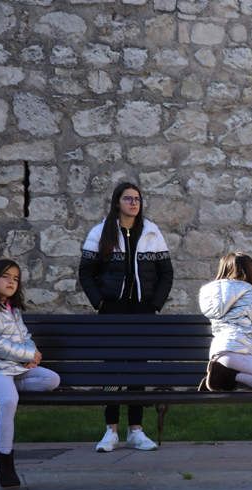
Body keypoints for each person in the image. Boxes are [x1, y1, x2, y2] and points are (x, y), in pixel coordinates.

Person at [78, 182, 174, 453]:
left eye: (137, 199)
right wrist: (99, 301)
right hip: (112, 310)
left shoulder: (152, 233)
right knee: (112, 367)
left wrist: (154, 304)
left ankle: (136, 431)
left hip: (142, 311)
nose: (133, 203)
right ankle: (110, 430)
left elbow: (166, 273)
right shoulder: (101, 233)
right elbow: (86, 272)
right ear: (117, 202)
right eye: (128, 198)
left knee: (137, 367)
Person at [0, 259, 61, 490]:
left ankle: (10, 389)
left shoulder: (13, 309)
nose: (11, 282)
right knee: (8, 402)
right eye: (6, 276)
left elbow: (24, 336)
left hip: (17, 370)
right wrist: (26, 353)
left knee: (51, 379)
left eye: (16, 279)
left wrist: (33, 353)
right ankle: (5, 463)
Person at [198, 252, 252, 391]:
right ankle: (224, 376)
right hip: (239, 352)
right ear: (248, 272)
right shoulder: (251, 295)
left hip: (219, 353)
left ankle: (220, 375)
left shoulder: (211, 296)